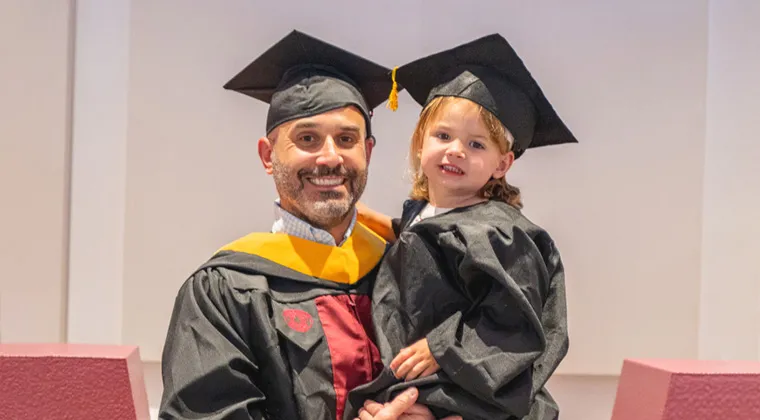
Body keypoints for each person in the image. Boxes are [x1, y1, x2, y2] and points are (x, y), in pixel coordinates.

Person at [158, 30, 460, 420]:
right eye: (307, 138)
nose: (330, 157)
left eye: (347, 138)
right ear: (268, 157)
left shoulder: (408, 270)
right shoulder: (227, 292)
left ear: (367, 152)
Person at [345, 34, 576, 420]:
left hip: (482, 401)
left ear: (502, 165)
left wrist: (441, 347)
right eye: (443, 135)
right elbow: (423, 243)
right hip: (429, 389)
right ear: (421, 143)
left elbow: (514, 323)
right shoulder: (431, 216)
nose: (456, 150)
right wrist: (359, 216)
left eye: (477, 145)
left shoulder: (500, 234)